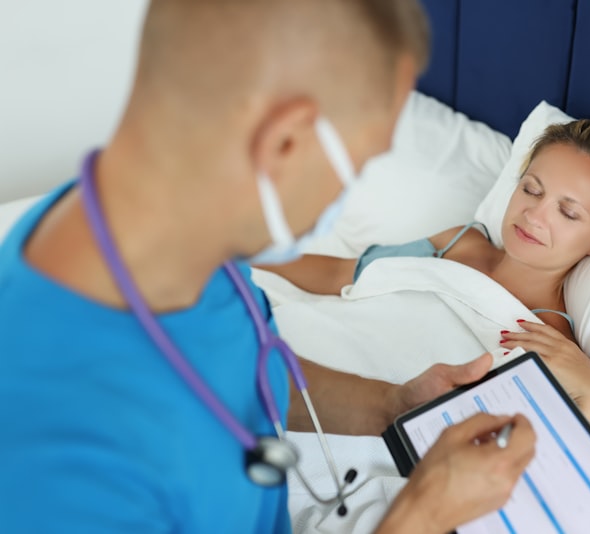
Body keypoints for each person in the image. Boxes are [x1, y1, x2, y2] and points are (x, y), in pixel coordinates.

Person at [0, 1, 536, 533]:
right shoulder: (55, 458)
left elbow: (251, 368)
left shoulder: (169, 235)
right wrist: (421, 516)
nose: (347, 189)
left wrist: (392, 404)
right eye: (359, 163)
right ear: (284, 142)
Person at [258, 119, 590, 438]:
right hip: (294, 355)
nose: (535, 215)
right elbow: (341, 273)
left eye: (568, 213)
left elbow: (561, 474)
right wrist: (238, 254)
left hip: (357, 429)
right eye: (531, 189)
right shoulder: (458, 243)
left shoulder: (553, 344)